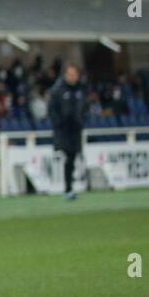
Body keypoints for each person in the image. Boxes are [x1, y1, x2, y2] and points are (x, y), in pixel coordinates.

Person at [47, 64, 85, 200]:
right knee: (67, 158)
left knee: (72, 158)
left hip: (76, 130)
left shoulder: (81, 90)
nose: (73, 77)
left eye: (75, 74)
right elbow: (51, 110)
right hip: (63, 131)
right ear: (65, 75)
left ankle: (69, 188)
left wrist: (81, 122)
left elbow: (84, 108)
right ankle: (67, 188)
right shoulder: (58, 91)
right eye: (70, 74)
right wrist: (58, 123)